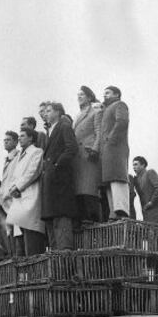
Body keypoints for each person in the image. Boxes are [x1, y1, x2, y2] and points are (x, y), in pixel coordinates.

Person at [41, 102, 78, 249]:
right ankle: (58, 262)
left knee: (61, 221)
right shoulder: (52, 130)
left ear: (58, 112)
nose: (46, 114)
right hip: (52, 183)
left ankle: (64, 262)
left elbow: (72, 148)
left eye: (49, 111)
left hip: (60, 181)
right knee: (53, 223)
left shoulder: (64, 126)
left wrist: (57, 165)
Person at [6, 128, 45, 256]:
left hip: (30, 195)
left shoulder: (36, 152)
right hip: (19, 198)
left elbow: (32, 172)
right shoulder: (19, 156)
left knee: (32, 234)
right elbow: (14, 176)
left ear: (31, 138)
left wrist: (17, 187)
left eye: (23, 136)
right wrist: (13, 188)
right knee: (22, 236)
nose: (20, 139)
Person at [98, 86, 129, 220]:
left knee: (118, 177)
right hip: (107, 150)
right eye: (104, 93)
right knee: (110, 181)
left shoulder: (120, 105)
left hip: (115, 149)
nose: (105, 95)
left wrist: (111, 139)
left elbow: (122, 121)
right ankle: (113, 212)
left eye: (108, 93)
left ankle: (121, 210)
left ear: (116, 94)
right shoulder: (105, 110)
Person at [73, 85, 101, 223]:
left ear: (89, 97)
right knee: (79, 190)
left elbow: (99, 132)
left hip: (88, 155)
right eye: (78, 95)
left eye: (82, 95)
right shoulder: (77, 115)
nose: (79, 97)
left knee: (88, 188)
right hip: (77, 158)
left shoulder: (95, 112)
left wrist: (95, 150)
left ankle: (92, 219)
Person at [132, 156, 158, 225]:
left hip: (156, 212)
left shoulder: (149, 173)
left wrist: (151, 202)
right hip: (146, 214)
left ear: (143, 165)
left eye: (136, 164)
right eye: (133, 165)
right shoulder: (136, 179)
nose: (134, 167)